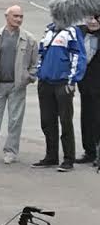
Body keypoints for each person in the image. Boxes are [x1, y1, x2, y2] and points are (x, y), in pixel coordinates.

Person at [0, 5, 39, 165]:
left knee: (15, 120)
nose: (19, 19)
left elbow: (35, 62)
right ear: (6, 16)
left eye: (21, 16)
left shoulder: (29, 39)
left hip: (17, 86)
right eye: (15, 16)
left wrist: (29, 77)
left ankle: (11, 151)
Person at [34, 19, 86, 172]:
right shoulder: (48, 30)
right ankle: (51, 156)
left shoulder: (72, 32)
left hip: (62, 82)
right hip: (45, 81)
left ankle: (68, 159)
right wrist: (39, 72)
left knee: (65, 120)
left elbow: (78, 55)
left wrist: (72, 80)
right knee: (47, 120)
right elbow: (41, 52)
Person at [81, 16, 100, 169]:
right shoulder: (81, 34)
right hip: (85, 86)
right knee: (86, 118)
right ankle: (89, 151)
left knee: (98, 119)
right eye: (90, 18)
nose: (93, 22)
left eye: (97, 18)